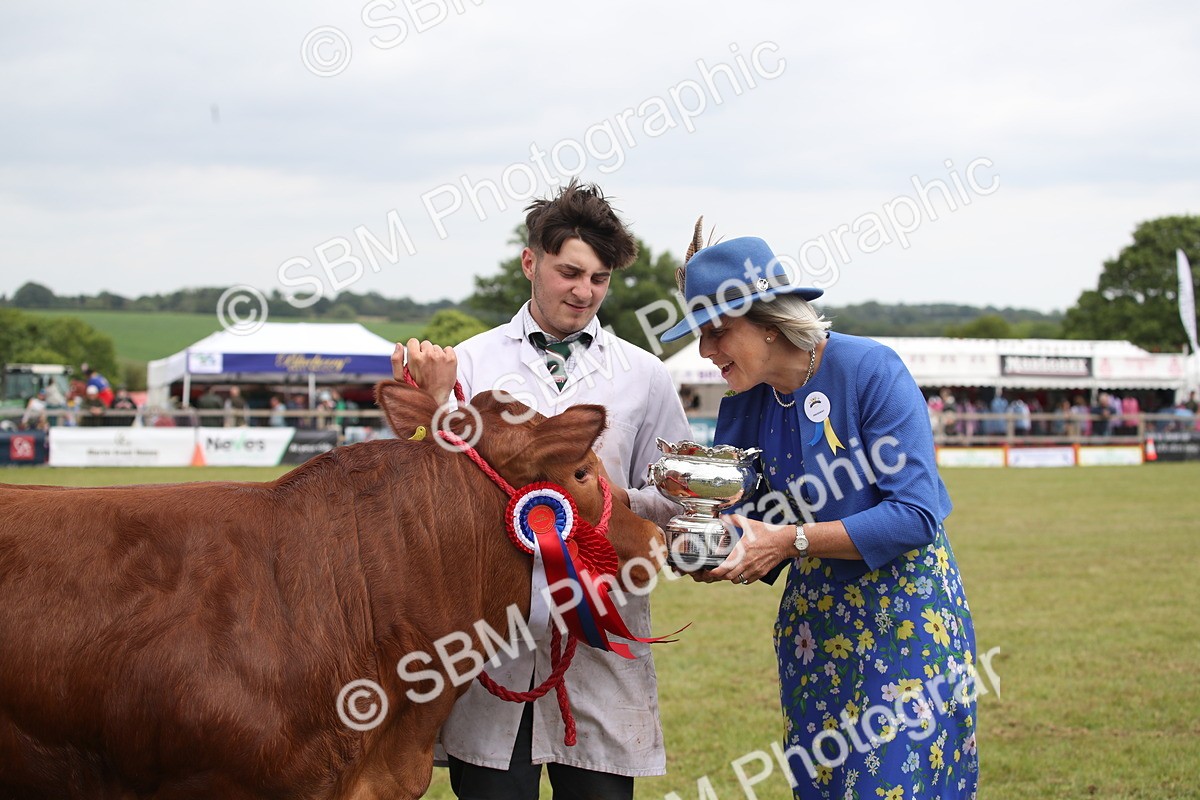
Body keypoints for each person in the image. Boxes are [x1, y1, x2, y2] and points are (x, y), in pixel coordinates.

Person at [396, 179, 691, 799]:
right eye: (569, 272)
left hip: (602, 630)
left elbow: (675, 499)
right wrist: (432, 403)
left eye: (600, 278)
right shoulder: (470, 364)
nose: (584, 292)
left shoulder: (644, 375)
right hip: (490, 639)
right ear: (531, 262)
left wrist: (607, 499)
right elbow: (425, 501)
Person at [659, 233, 978, 799]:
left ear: (770, 323)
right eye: (699, 334)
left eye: (717, 332)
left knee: (894, 785)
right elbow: (748, 520)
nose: (706, 351)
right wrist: (706, 548)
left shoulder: (870, 369)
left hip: (904, 619)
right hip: (816, 630)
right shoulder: (744, 403)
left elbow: (914, 515)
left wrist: (788, 541)